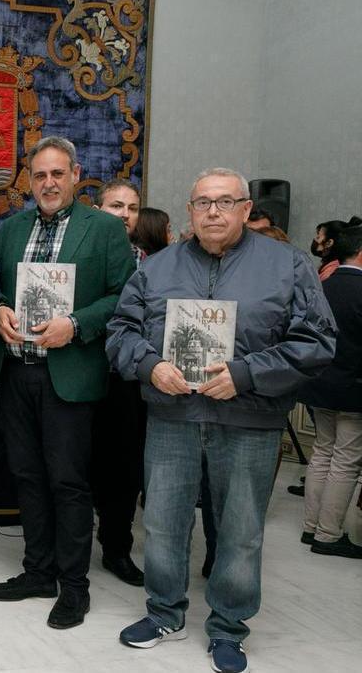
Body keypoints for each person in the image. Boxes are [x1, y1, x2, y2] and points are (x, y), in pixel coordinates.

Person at [108, 167, 336, 673]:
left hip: (249, 420)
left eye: (225, 202)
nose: (213, 211)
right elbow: (120, 331)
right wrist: (150, 366)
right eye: (203, 202)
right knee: (163, 524)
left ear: (246, 208)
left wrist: (247, 374)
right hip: (173, 417)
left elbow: (318, 341)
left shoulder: (289, 266)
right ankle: (164, 613)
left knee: (241, 530)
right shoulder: (157, 267)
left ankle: (229, 627)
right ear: (188, 210)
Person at [0, 136, 136, 629]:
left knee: (68, 483)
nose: (48, 183)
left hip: (68, 375)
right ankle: (38, 572)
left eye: (57, 174)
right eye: (40, 175)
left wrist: (77, 323)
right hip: (16, 372)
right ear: (29, 180)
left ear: (75, 175)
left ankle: (74, 586)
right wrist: (0, 308)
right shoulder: (11, 229)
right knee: (26, 477)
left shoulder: (106, 229)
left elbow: (124, 296)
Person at [91, 178, 149, 587]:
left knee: (125, 469)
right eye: (116, 205)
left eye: (131, 207)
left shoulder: (151, 262)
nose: (125, 214)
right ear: (98, 210)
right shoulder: (83, 254)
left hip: (126, 380)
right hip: (81, 370)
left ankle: (117, 548)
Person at [298, 225, 362, 558]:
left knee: (322, 452)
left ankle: (311, 527)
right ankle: (328, 534)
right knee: (346, 461)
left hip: (319, 383)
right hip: (353, 389)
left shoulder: (323, 283)